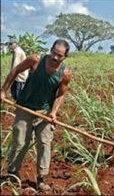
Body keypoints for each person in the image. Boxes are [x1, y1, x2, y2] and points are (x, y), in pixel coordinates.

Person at [0, 39, 72, 191]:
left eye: (60, 55)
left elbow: (61, 95)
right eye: (54, 53)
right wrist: (3, 91)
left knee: (44, 143)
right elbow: (15, 71)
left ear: (65, 57)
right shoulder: (36, 60)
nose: (55, 58)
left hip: (44, 112)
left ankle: (41, 178)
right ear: (50, 50)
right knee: (20, 142)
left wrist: (53, 112)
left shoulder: (65, 73)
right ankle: (12, 173)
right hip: (24, 107)